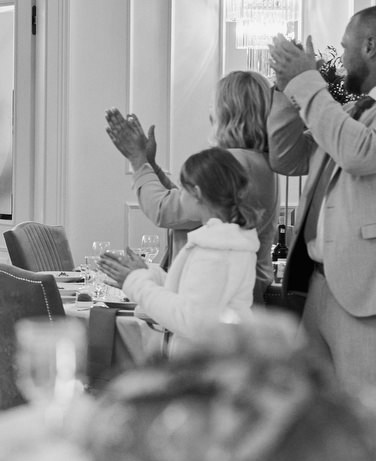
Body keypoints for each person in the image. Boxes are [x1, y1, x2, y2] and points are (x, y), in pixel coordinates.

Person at [267, 7, 376, 384]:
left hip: (365, 294)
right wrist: (287, 89)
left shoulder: (351, 122)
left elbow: (358, 153)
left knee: (362, 410)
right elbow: (286, 156)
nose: (341, 59)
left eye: (345, 47)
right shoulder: (349, 112)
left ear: (370, 45)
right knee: (311, 406)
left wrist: (307, 82)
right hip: (318, 284)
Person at [104, 70, 279, 302]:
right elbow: (189, 203)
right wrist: (150, 165)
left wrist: (138, 161)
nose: (210, 112)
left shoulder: (232, 161)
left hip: (213, 299)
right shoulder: (260, 161)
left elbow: (166, 211)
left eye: (214, 104)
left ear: (227, 111)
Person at [97, 147, 259, 354]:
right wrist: (148, 274)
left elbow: (188, 319)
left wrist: (135, 282)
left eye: (182, 189)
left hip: (206, 360)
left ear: (197, 193)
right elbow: (194, 294)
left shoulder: (216, 250)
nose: (179, 195)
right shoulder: (224, 240)